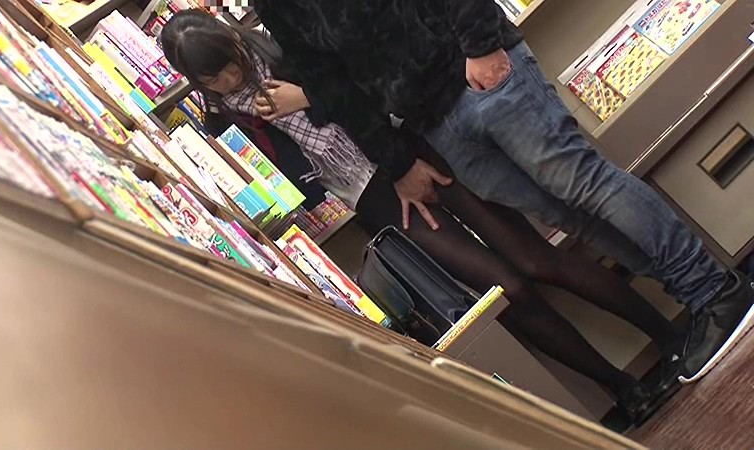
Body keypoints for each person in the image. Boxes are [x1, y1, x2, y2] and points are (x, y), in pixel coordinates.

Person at [160, 9, 688, 425]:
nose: (230, 77)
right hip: (372, 197)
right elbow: (284, 184)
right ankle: (622, 387)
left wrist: (310, 97)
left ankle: (670, 338)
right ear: (196, 80)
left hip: (410, 149)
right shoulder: (220, 119)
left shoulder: (281, 47)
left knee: (536, 259)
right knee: (505, 291)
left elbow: (366, 80)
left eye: (229, 61)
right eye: (214, 76)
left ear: (233, 39)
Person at [250, 0, 754, 385]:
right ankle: (698, 296)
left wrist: (481, 43)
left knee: (585, 184)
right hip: (431, 121)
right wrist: (397, 160)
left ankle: (714, 291)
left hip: (478, 68)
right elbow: (330, 81)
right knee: (570, 214)